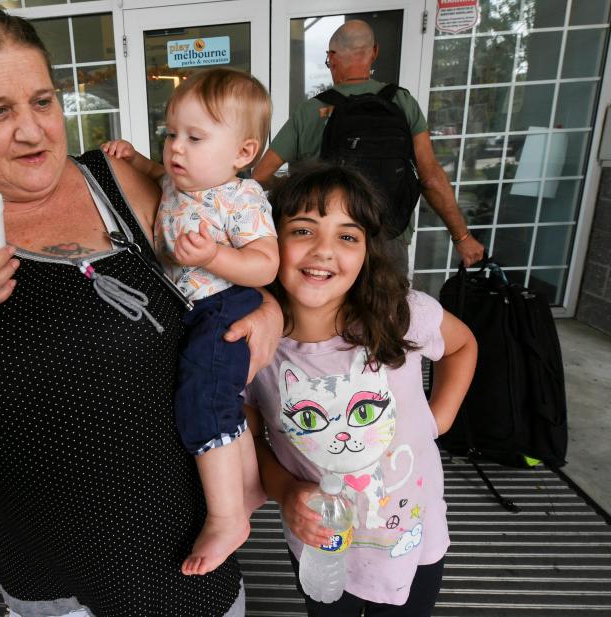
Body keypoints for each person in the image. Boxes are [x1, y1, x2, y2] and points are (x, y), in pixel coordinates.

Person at [0, 8, 284, 616]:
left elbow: (237, 263)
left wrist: (269, 309)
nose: (32, 131)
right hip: (46, 575)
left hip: (180, 561)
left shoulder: (125, 183)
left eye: (43, 102)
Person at [244, 161, 477, 616]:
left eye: (347, 236)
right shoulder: (257, 347)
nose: (325, 251)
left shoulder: (401, 313)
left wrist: (439, 418)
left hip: (414, 539)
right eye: (303, 231)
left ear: (368, 251)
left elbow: (462, 345)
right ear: (271, 243)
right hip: (322, 548)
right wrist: (287, 492)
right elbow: (251, 440)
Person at [100, 68, 277, 576]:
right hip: (195, 310)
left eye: (195, 138)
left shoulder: (240, 198)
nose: (176, 148)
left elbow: (266, 263)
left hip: (224, 305)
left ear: (242, 154)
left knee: (204, 400)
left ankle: (226, 518)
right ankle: (246, 488)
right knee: (222, 402)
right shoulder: (178, 182)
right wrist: (133, 158)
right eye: (171, 133)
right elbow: (157, 174)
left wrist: (215, 256)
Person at [252, 19, 485, 270]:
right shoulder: (402, 103)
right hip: (388, 238)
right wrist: (462, 237)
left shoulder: (310, 112)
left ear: (331, 57)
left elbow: (261, 175)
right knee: (386, 309)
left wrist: (301, 189)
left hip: (327, 242)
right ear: (374, 52)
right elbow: (430, 178)